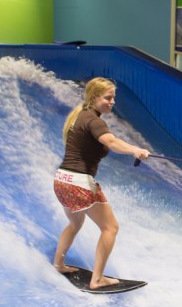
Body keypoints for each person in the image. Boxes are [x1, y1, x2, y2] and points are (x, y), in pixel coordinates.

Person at [53, 78, 150, 289]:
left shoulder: (79, 116)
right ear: (94, 97)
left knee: (75, 223)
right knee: (110, 227)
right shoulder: (94, 120)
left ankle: (59, 264)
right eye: (108, 97)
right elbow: (111, 142)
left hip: (62, 181)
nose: (112, 101)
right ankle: (97, 279)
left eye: (113, 97)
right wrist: (135, 150)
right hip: (79, 183)